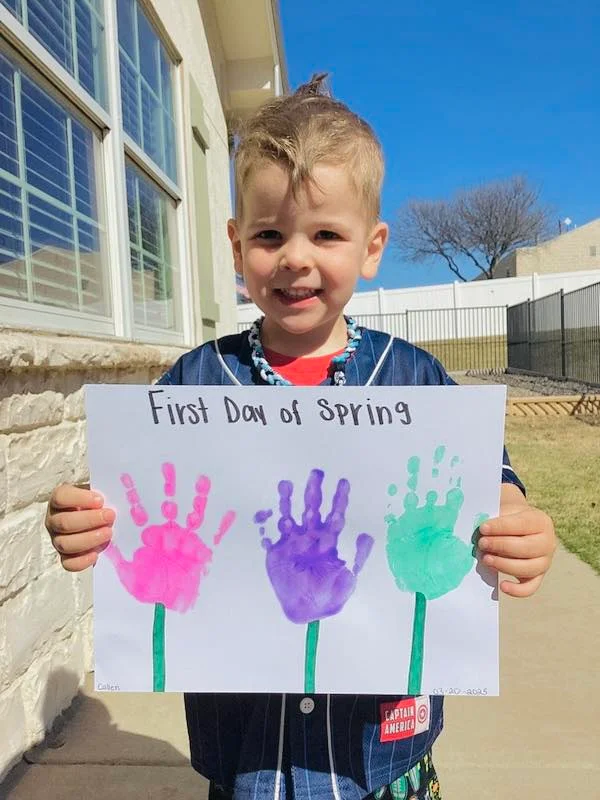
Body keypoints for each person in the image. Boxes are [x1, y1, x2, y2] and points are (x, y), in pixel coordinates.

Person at [45, 75, 556, 800]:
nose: (294, 257)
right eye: (269, 235)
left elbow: (487, 482)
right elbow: (121, 497)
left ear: (372, 248)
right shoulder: (196, 382)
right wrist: (81, 521)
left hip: (384, 756)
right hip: (248, 757)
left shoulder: (414, 380)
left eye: (325, 234)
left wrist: (515, 522)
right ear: (235, 245)